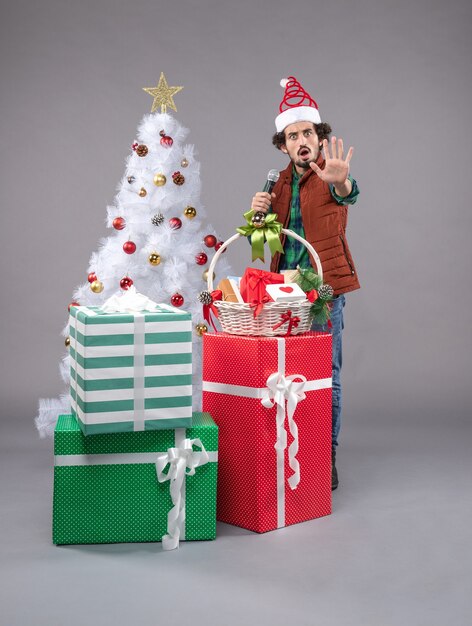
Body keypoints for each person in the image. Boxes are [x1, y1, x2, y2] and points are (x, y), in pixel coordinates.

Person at [251, 77, 360, 490]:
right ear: (283, 144)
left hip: (324, 290)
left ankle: (324, 456)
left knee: (325, 375)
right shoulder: (276, 183)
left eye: (308, 134)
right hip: (283, 292)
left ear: (319, 137)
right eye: (293, 135)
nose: (301, 141)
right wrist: (257, 216)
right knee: (282, 374)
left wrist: (340, 181)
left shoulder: (331, 175)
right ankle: (284, 449)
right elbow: (263, 241)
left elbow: (349, 193)